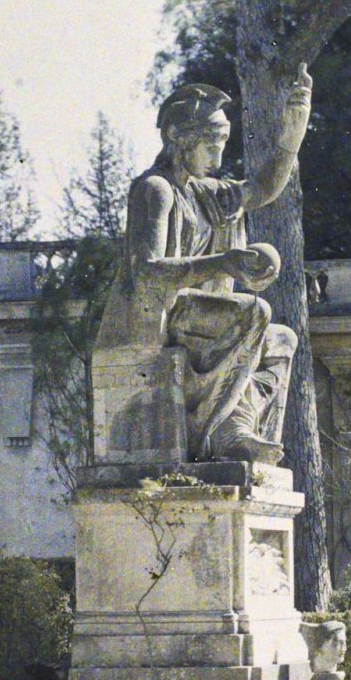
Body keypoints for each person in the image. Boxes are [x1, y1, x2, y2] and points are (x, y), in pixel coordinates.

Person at [93, 72, 313, 464]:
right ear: (179, 138)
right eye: (211, 145)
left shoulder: (207, 192)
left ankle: (238, 430)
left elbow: (262, 188)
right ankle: (221, 435)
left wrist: (292, 136)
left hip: (192, 312)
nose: (218, 156)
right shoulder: (155, 190)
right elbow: (145, 271)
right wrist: (224, 262)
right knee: (253, 312)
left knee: (281, 340)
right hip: (158, 313)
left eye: (222, 144)